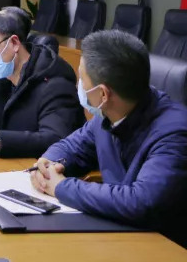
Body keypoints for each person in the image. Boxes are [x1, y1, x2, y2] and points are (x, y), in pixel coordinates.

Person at [32, 30, 187, 246]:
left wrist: (62, 187)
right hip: (118, 235)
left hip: (163, 247)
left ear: (103, 94)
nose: (79, 85)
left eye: (82, 79)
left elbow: (141, 202)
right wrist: (49, 164)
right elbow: (71, 147)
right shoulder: (107, 117)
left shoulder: (176, 133)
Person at [0, 7, 83, 158]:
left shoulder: (55, 83)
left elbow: (55, 138)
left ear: (14, 43)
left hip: (38, 167)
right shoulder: (6, 74)